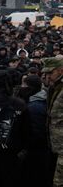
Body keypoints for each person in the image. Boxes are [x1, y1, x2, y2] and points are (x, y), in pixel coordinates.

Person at [43, 56, 63, 186]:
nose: (47, 76)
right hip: (56, 147)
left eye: (51, 72)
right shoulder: (55, 87)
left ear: (60, 70)